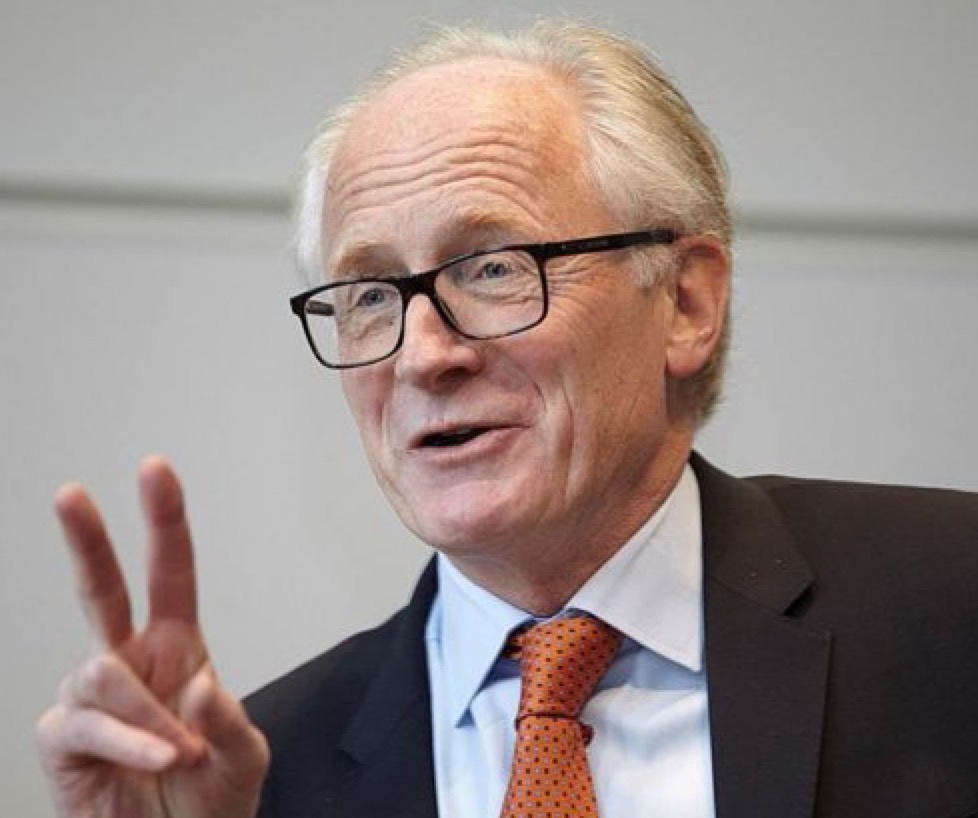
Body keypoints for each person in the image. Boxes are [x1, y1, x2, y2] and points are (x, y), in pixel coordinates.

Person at [36, 20, 978, 818]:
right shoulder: (258, 775)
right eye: (370, 294)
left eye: (492, 268)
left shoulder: (951, 602)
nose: (422, 355)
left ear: (685, 302)